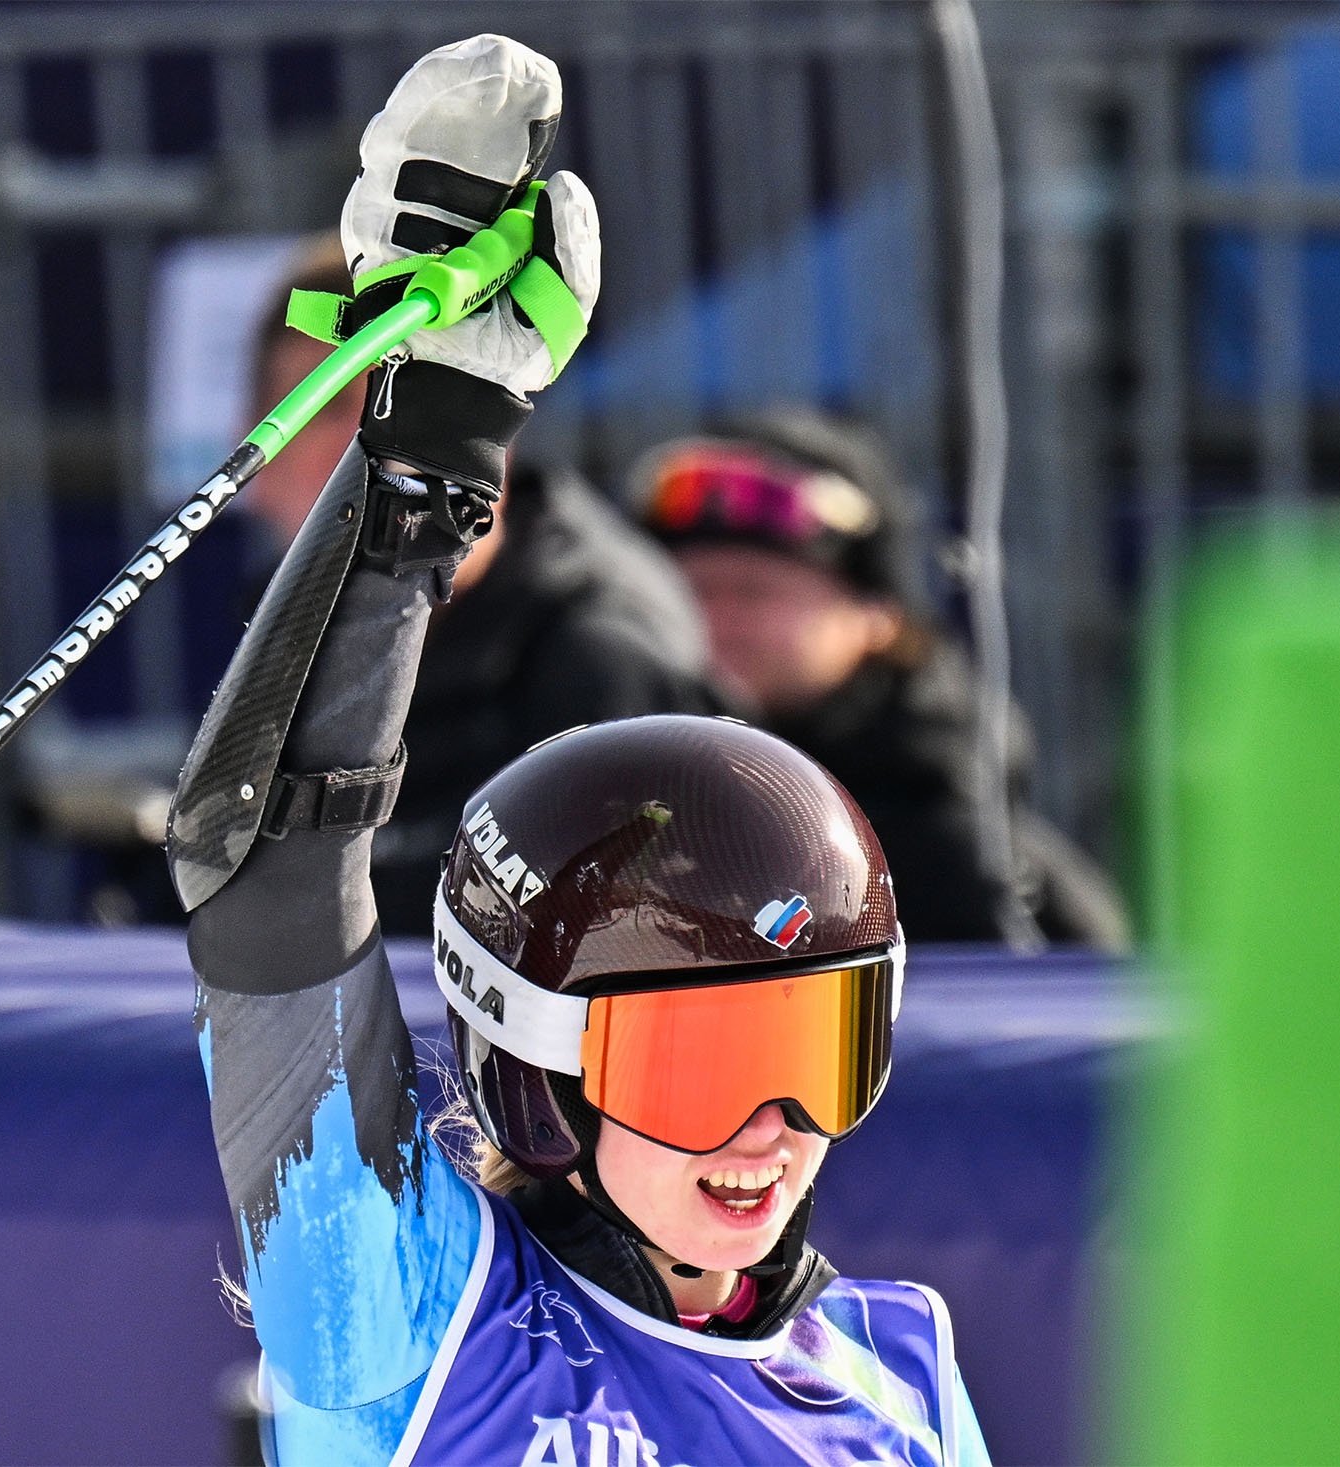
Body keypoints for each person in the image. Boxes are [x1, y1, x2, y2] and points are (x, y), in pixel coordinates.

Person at [167, 36, 989, 1466]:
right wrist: (427, 456)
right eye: (701, 1063)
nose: (770, 1130)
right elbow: (260, 864)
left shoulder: (893, 1372)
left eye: (815, 1046)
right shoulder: (410, 1319)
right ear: (541, 1073)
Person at [238, 259, 723, 942]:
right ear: (257, 454)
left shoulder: (603, 660)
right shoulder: (274, 637)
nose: (369, 446)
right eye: (326, 407)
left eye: (409, 404)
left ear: (491, 442)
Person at [628, 413, 1131, 951]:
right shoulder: (627, 799)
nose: (716, 620)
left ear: (876, 616)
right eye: (691, 592)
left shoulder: (956, 852)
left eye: (755, 593)